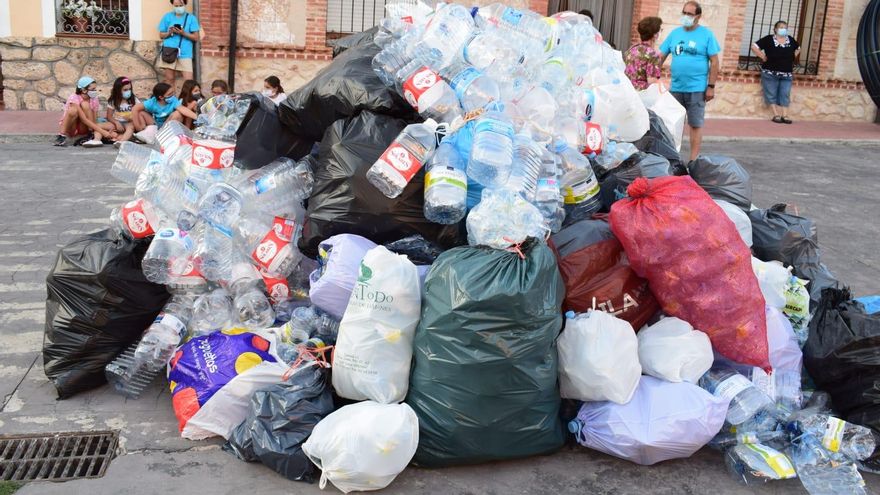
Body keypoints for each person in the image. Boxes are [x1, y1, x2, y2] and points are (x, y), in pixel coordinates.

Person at [660, 1, 720, 162]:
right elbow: (660, 56)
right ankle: (671, 157)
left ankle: (693, 159)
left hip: (697, 88)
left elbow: (715, 62)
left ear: (698, 17)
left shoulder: (707, 35)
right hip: (676, 88)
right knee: (672, 124)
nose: (686, 16)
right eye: (684, 13)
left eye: (690, 14)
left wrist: (711, 87)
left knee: (695, 124)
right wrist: (653, 74)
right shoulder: (675, 34)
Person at [751, 20, 800, 124]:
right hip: (770, 73)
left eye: (785, 27)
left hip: (786, 73)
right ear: (775, 29)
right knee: (771, 93)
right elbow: (754, 46)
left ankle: (785, 115)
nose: (783, 29)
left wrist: (793, 56)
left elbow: (798, 48)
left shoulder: (790, 40)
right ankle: (776, 114)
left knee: (785, 93)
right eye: (781, 27)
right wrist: (763, 56)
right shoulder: (768, 39)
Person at [54, 76, 117, 147]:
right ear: (84, 90)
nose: (95, 91)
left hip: (84, 127)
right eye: (93, 89)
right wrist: (102, 131)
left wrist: (98, 129)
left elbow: (94, 118)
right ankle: (61, 136)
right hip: (72, 127)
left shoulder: (94, 99)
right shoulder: (74, 98)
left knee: (85, 105)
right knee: (73, 110)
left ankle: (91, 134)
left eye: (95, 89)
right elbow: (84, 119)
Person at [132, 83, 198, 143]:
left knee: (178, 113)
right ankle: (142, 134)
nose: (172, 96)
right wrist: (137, 127)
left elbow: (183, 109)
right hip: (156, 124)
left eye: (172, 93)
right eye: (169, 94)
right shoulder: (152, 102)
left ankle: (166, 136)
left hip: (168, 125)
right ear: (161, 97)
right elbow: (135, 108)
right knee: (141, 113)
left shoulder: (173, 100)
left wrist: (197, 117)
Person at [157, 0, 200, 90]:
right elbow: (161, 35)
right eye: (176, 6)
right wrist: (170, 32)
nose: (178, 8)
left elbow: (196, 37)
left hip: (185, 53)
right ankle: (172, 101)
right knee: (169, 79)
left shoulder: (191, 18)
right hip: (169, 51)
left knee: (188, 81)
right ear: (172, 4)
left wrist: (183, 33)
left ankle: (187, 101)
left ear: (185, 4)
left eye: (181, 5)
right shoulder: (167, 17)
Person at [625, 16, 664, 91]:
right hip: (643, 96)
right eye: (660, 30)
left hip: (628, 92)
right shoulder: (652, 55)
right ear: (655, 34)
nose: (660, 33)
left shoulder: (631, 49)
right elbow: (652, 82)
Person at [106, 77, 138, 147]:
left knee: (131, 127)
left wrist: (132, 118)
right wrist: (116, 122)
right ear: (118, 90)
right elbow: (109, 116)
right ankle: (96, 139)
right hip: (116, 123)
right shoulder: (113, 101)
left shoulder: (134, 99)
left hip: (129, 122)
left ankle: (121, 141)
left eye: (130, 89)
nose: (128, 91)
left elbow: (139, 112)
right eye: (125, 90)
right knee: (99, 126)